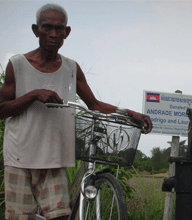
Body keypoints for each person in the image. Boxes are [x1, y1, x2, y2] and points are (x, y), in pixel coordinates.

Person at [0, 3, 152, 220]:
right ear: (36, 30)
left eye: (59, 29)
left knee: (60, 216)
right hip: (19, 156)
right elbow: (2, 109)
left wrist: (129, 112)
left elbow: (95, 105)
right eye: (47, 27)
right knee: (20, 217)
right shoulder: (18, 64)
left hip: (54, 157)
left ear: (67, 33)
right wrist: (33, 95)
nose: (53, 34)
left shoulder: (72, 68)